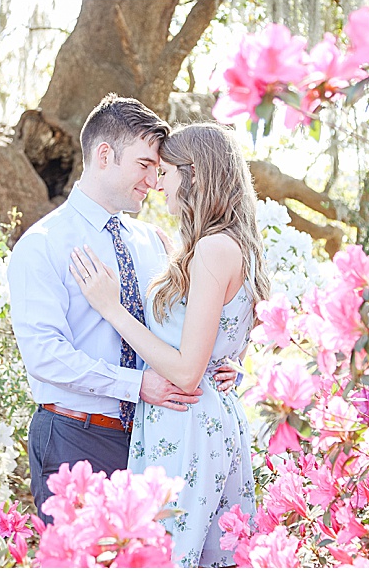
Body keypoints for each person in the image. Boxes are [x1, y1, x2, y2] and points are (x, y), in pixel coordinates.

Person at [7, 95, 238, 525]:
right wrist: (136, 385)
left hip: (154, 441)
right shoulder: (43, 245)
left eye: (159, 168)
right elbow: (44, 357)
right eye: (145, 164)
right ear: (105, 155)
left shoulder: (152, 241)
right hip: (77, 439)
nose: (154, 180)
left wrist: (225, 364)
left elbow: (180, 332)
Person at [69, 122, 269, 567]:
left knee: (171, 557)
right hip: (202, 416)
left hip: (187, 420)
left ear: (193, 173)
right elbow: (224, 338)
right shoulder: (229, 244)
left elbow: (184, 371)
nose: (157, 184)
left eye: (166, 172)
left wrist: (111, 307)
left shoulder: (213, 250)